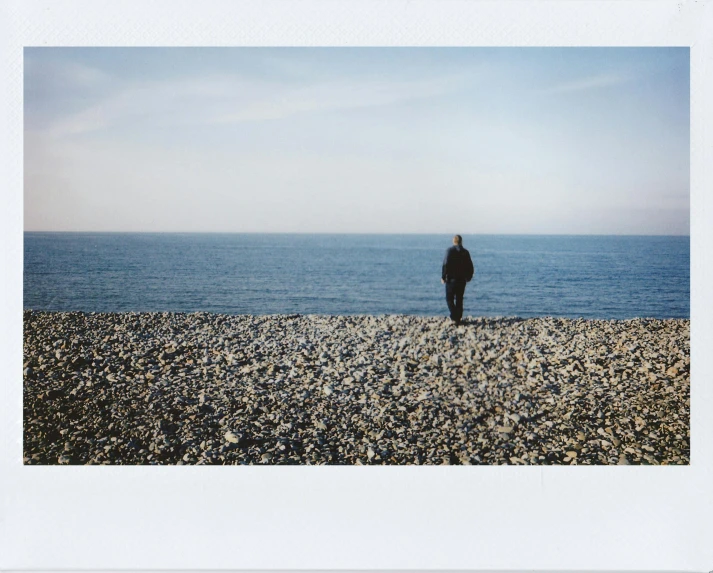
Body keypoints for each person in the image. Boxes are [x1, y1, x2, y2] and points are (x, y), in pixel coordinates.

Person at [441, 235, 474, 325]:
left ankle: (454, 316)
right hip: (462, 279)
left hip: (451, 279)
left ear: (453, 241)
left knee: (449, 299)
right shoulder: (465, 252)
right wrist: (469, 276)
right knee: (459, 299)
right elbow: (470, 265)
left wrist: (443, 276)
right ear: (461, 241)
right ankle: (458, 318)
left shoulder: (449, 251)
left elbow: (445, 264)